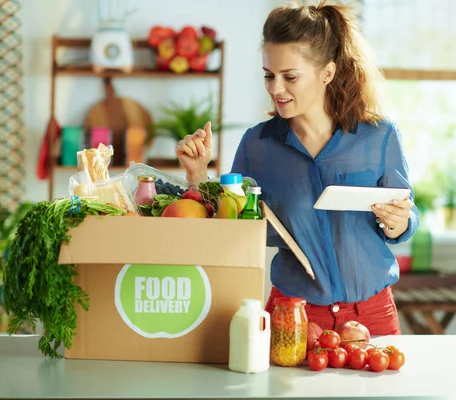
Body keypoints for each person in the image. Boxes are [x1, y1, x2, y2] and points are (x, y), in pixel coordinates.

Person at [175, 0, 419, 336]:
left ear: (327, 73)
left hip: (373, 314)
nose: (276, 89)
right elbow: (229, 227)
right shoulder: (257, 145)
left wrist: (399, 222)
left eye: (290, 76)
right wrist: (197, 174)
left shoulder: (379, 136)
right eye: (269, 76)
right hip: (294, 316)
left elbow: (405, 219)